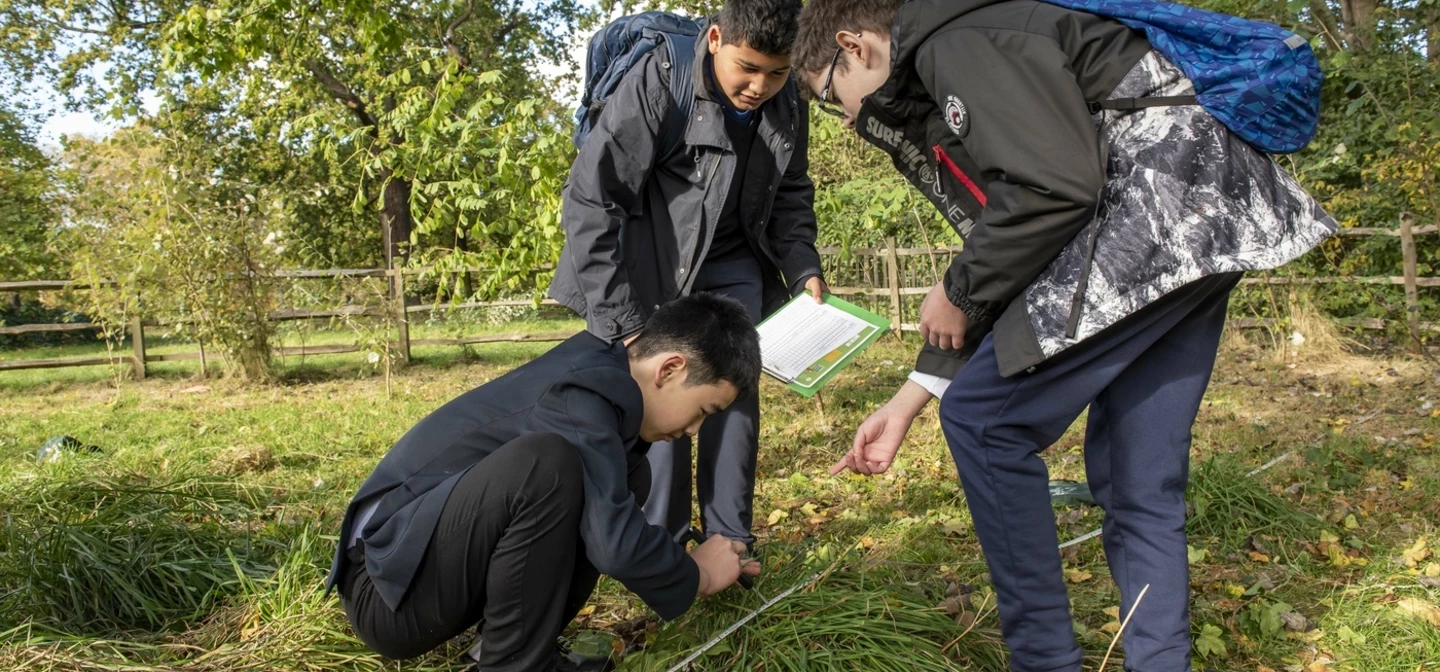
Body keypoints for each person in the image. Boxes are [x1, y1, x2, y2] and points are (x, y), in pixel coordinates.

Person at [792, 0, 1336, 670]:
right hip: (1208, 219)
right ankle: (1159, 660)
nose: (846, 120)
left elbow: (1052, 189)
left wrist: (957, 287)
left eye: (827, 97)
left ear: (854, 46)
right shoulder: (972, 38)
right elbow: (1017, 240)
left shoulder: (952, 42)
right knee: (1139, 475)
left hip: (1156, 211)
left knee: (985, 422)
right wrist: (909, 397)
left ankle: (1043, 660)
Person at [325, 294, 763, 672]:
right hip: (387, 593)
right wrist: (698, 574)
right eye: (704, 411)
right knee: (548, 466)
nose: (693, 431)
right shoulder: (582, 393)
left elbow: (609, 522)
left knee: (622, 474)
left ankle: (507, 652)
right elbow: (615, 544)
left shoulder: (604, 379)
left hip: (423, 571)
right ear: (669, 369)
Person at [549, 0, 826, 550]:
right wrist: (626, 324)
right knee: (664, 398)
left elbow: (792, 192)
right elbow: (590, 200)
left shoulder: (788, 100)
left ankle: (728, 539)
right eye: (747, 68)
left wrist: (803, 270)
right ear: (717, 38)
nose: (759, 86)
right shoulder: (660, 78)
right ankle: (666, 545)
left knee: (734, 390)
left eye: (776, 72)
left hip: (734, 260)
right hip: (651, 261)